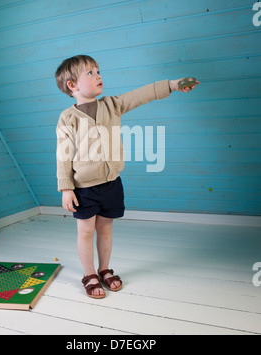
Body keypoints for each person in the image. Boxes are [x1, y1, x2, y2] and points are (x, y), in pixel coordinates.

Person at [55, 55, 199, 299]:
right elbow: (63, 154)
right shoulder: (67, 118)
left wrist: (173, 85)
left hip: (112, 184)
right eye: (90, 73)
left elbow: (142, 94)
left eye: (98, 70)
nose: (98, 75)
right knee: (85, 232)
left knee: (106, 230)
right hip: (84, 189)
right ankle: (89, 273)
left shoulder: (112, 104)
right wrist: (66, 187)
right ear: (72, 85)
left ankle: (104, 269)